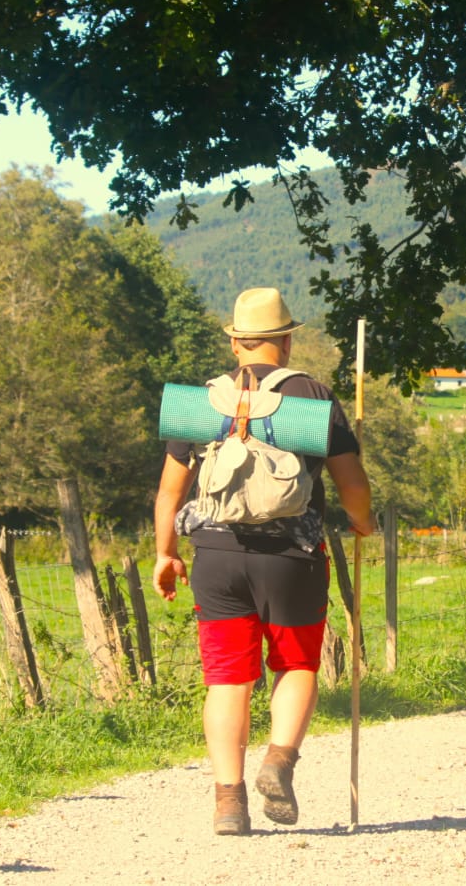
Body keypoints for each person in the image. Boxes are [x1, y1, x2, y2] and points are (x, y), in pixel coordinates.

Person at [153, 287, 374, 836]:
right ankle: (278, 761)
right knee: (296, 665)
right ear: (287, 339)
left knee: (227, 679)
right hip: (292, 558)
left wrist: (164, 553)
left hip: (216, 557)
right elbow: (351, 482)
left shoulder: (202, 400)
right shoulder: (309, 395)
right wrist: (363, 521)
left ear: (235, 342)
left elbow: (168, 493)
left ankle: (229, 802)